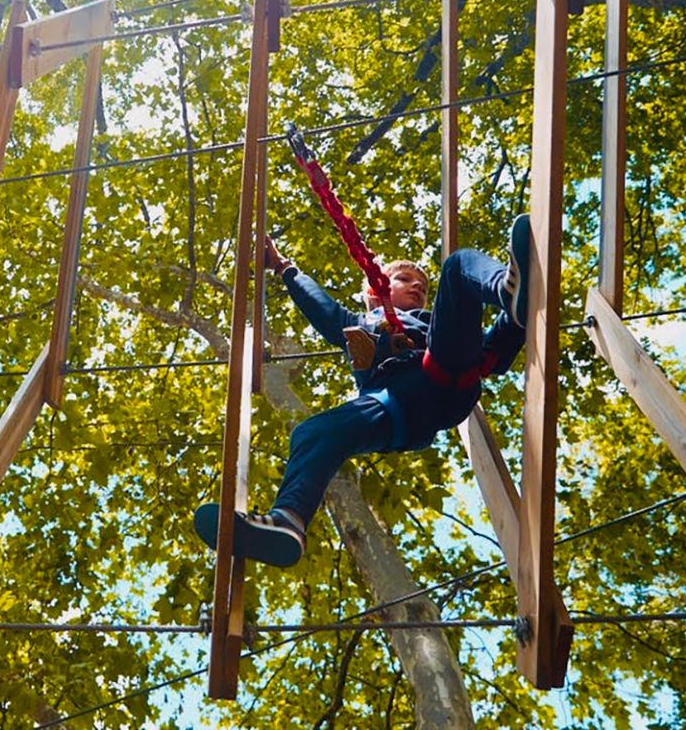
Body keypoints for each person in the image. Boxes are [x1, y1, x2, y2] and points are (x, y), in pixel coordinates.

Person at [193, 215, 531, 568]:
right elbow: (323, 310)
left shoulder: (434, 322)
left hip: (444, 371)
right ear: (374, 293)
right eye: (404, 280)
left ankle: (507, 291)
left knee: (458, 266)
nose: (416, 287)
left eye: (421, 285)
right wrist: (282, 267)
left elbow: (490, 352)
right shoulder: (361, 324)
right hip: (393, 407)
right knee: (312, 432)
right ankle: (288, 520)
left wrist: (513, 322)